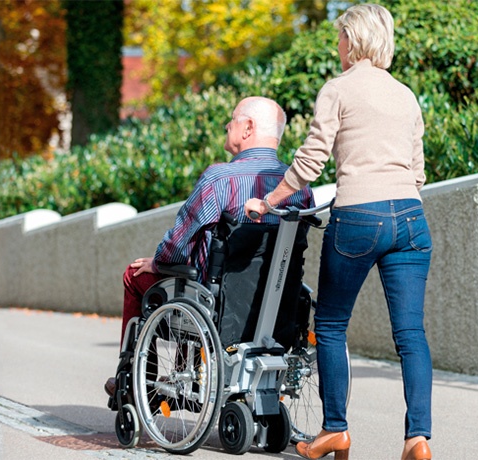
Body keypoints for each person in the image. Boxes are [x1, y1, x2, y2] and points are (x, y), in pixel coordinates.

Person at [245, 4, 433, 460]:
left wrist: (267, 202)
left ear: (355, 40)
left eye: (341, 37)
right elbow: (418, 172)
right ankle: (418, 439)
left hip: (359, 219)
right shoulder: (406, 95)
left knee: (330, 325)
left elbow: (311, 161)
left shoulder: (338, 90)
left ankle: (335, 431)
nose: (337, 46)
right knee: (411, 333)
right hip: (410, 217)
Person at [104, 96, 314, 396]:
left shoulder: (220, 179)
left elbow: (179, 241)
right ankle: (180, 371)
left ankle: (135, 382)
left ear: (248, 128)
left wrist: (158, 261)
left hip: (219, 303)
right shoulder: (299, 187)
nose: (228, 125)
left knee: (137, 275)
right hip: (279, 303)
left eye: (233, 119)